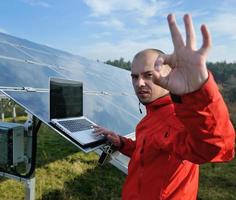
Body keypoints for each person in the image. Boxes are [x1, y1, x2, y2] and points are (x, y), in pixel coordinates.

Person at [93, 13, 235, 200]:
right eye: (135, 77)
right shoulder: (152, 116)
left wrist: (198, 92)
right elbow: (148, 152)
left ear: (169, 75)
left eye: (148, 75)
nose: (140, 83)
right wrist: (122, 143)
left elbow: (218, 147)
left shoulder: (179, 118)